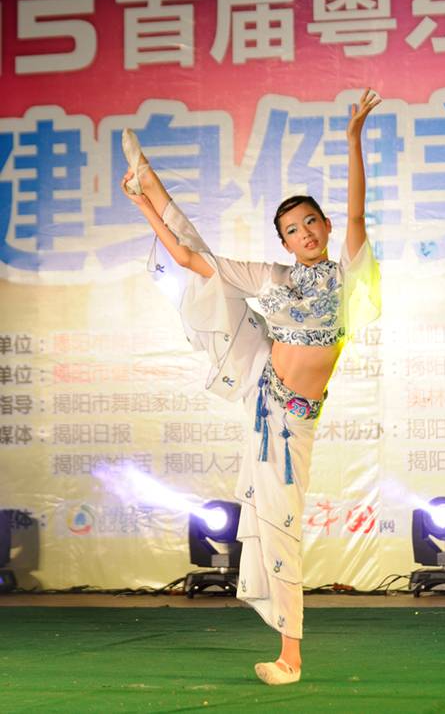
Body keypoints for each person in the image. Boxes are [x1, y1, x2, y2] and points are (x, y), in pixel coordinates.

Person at [120, 89, 382, 685]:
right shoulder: (274, 277)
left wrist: (352, 139)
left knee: (279, 521)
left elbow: (359, 217)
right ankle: (149, 180)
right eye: (292, 229)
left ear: (325, 226)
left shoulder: (348, 277)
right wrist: (143, 204)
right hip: (260, 379)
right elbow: (189, 258)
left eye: (311, 221)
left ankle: (290, 656)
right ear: (283, 242)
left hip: (293, 421)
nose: (305, 232)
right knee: (209, 272)